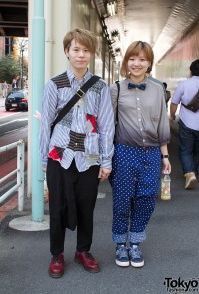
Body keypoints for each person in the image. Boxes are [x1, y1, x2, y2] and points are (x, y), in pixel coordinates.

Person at [39, 28, 115, 278]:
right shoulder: (54, 84)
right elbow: (46, 123)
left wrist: (106, 160)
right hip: (59, 156)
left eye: (85, 50)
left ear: (91, 54)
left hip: (89, 158)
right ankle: (56, 254)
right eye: (76, 50)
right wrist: (43, 159)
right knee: (58, 207)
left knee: (86, 206)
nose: (81, 55)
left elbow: (106, 125)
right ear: (67, 52)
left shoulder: (100, 87)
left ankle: (83, 250)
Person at [110, 41, 171, 268]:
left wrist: (165, 157)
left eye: (142, 60)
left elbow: (162, 125)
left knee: (147, 198)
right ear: (126, 62)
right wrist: (106, 158)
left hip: (152, 154)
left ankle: (135, 242)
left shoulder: (157, 90)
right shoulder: (115, 89)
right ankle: (120, 244)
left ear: (149, 64)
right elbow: (108, 126)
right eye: (132, 59)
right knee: (123, 200)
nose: (137, 64)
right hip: (124, 152)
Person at [170, 59, 199, 189]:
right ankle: (193, 172)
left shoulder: (184, 84)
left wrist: (171, 116)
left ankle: (189, 173)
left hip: (187, 123)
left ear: (191, 70)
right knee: (197, 151)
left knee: (186, 150)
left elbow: (174, 102)